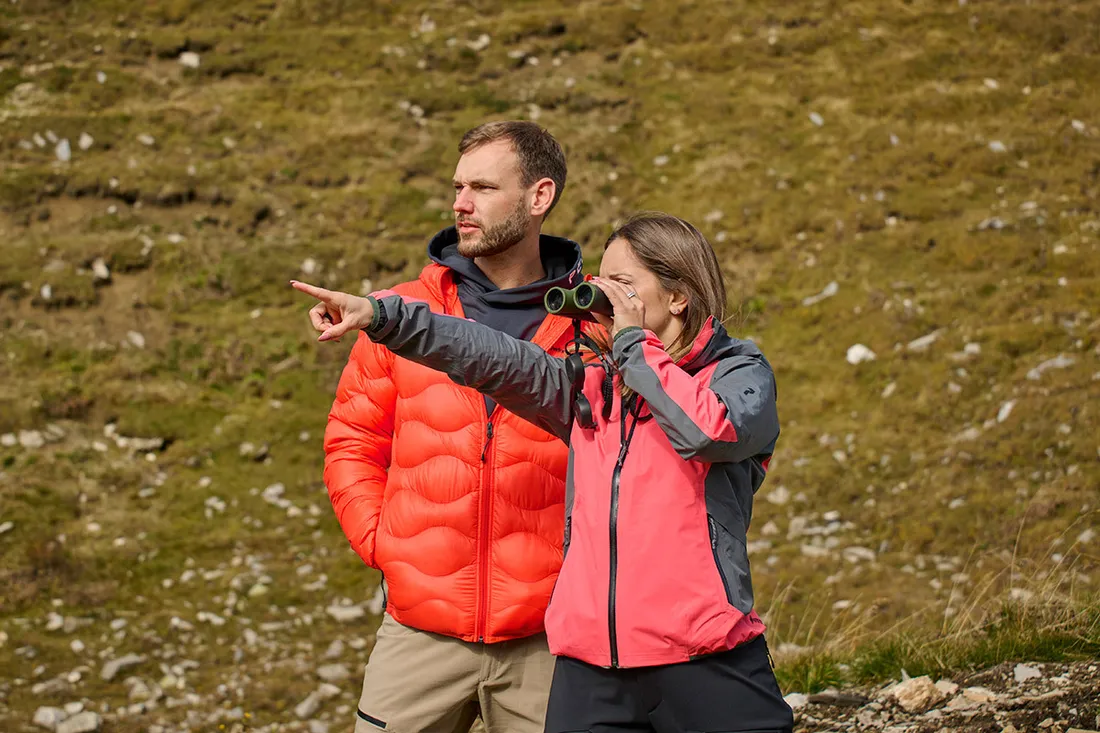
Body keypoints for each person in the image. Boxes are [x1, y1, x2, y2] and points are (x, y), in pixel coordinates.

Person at [293, 212, 795, 733]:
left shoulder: (738, 373)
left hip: (704, 655)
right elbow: (493, 357)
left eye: (622, 285)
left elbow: (706, 431)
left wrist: (631, 347)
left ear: (678, 297)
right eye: (601, 283)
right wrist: (384, 317)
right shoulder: (593, 389)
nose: (604, 297)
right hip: (592, 669)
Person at [318, 121, 586, 733]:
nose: (460, 203)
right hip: (418, 635)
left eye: (483, 187)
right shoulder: (400, 311)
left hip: (550, 639)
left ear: (538, 196)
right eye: (457, 186)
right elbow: (352, 442)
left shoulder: (594, 323)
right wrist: (386, 546)